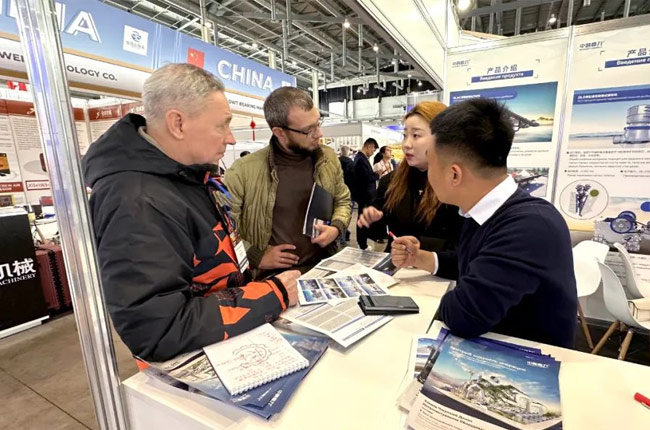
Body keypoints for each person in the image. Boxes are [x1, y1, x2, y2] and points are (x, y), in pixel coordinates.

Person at [83, 64, 300, 362]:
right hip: (196, 362)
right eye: (221, 125)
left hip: (225, 343)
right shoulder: (135, 199)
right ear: (178, 124)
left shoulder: (190, 177)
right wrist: (274, 294)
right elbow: (157, 330)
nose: (231, 138)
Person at [391, 98, 577, 348]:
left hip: (520, 356)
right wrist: (420, 258)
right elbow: (472, 264)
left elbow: (464, 315)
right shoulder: (485, 212)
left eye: (431, 164)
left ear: (454, 174)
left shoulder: (528, 227)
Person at [225, 87, 351, 275]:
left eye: (318, 123)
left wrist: (336, 227)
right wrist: (255, 256)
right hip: (271, 279)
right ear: (279, 132)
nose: (319, 133)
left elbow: (342, 200)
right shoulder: (243, 171)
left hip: (323, 270)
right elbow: (224, 229)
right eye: (308, 130)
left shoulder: (328, 159)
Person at [357, 102, 464, 253]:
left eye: (416, 135)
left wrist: (420, 247)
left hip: (438, 267)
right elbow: (380, 234)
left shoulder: (459, 185)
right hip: (395, 264)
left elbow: (465, 247)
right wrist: (372, 220)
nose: (406, 144)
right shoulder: (391, 182)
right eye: (405, 135)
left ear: (443, 139)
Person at [352, 138, 379, 250]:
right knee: (362, 220)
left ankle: (363, 243)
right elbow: (365, 178)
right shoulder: (361, 160)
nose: (373, 152)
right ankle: (362, 244)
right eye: (373, 150)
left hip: (365, 196)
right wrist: (376, 175)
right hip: (364, 196)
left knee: (364, 219)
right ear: (369, 146)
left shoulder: (361, 158)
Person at [338, 145, 355, 243]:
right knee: (346, 215)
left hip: (337, 192)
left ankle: (339, 236)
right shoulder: (351, 163)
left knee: (337, 215)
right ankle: (342, 238)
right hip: (349, 192)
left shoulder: (335, 162)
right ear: (348, 152)